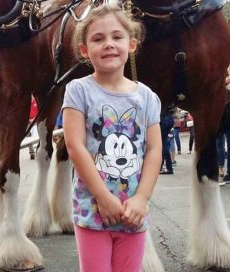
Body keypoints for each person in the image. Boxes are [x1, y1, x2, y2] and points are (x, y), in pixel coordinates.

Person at [62, 5, 162, 272]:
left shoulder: (147, 97)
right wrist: (103, 197)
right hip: (92, 211)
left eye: (116, 37)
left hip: (133, 214)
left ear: (131, 44)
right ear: (84, 50)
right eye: (98, 39)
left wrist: (141, 198)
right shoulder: (78, 91)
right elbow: (75, 146)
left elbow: (154, 150)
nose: (108, 44)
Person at [160, 108, 174, 174]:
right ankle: (161, 166)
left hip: (164, 118)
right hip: (169, 118)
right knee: (163, 144)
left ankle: (169, 168)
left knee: (163, 144)